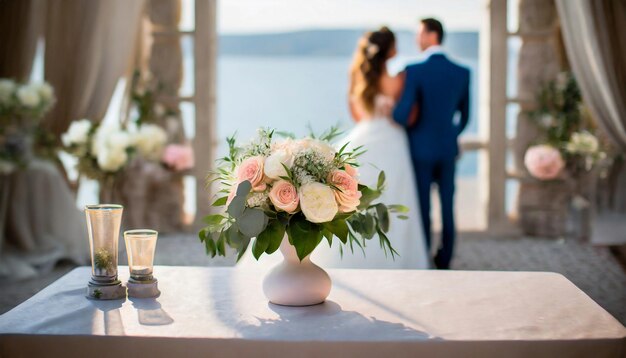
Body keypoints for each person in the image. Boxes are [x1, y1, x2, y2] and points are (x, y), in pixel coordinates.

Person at [312, 26, 429, 269]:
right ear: (390, 49)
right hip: (394, 140)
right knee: (396, 197)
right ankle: (395, 256)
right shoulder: (400, 79)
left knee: (355, 199)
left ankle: (352, 252)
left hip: (364, 136)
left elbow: (356, 114)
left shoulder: (358, 76)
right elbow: (409, 115)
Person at [393, 18, 470, 269]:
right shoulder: (462, 72)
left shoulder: (414, 70)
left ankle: (425, 258)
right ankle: (445, 259)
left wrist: (389, 113)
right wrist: (450, 134)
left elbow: (403, 115)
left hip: (420, 150)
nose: (417, 39)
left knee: (423, 208)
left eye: (419, 34)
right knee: (448, 207)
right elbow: (465, 116)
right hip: (448, 150)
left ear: (431, 34)